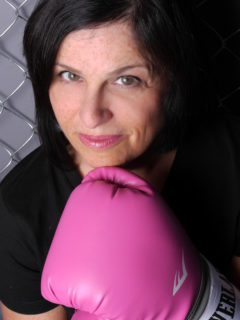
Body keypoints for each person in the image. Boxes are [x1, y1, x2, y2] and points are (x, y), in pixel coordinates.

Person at [0, 0, 240, 319]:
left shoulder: (233, 154)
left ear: (173, 80)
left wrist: (202, 304)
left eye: (126, 80)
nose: (91, 115)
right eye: (70, 76)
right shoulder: (21, 213)